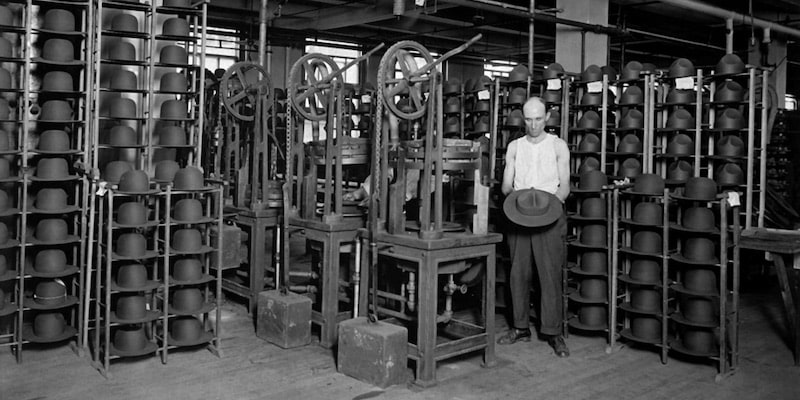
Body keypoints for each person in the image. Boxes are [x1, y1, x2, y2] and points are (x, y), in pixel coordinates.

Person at [498, 97, 571, 357]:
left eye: (538, 119)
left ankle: (553, 332)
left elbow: (565, 187)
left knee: (549, 274)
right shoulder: (515, 146)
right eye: (528, 119)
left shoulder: (558, 146)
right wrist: (524, 201)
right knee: (518, 272)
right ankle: (520, 328)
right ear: (522, 118)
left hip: (550, 214)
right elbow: (507, 186)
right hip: (519, 214)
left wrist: (545, 207)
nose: (533, 124)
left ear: (547, 117)